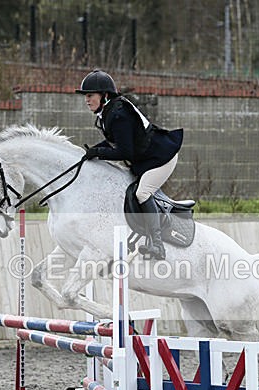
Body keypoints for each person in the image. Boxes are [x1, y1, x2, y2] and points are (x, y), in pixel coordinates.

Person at [76, 69, 183, 260]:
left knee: (142, 193)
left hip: (161, 158)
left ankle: (158, 245)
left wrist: (98, 153)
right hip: (146, 159)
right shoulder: (108, 113)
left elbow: (125, 152)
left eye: (90, 95)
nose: (87, 100)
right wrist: (92, 151)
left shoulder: (119, 114)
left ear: (105, 95)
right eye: (86, 96)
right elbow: (114, 144)